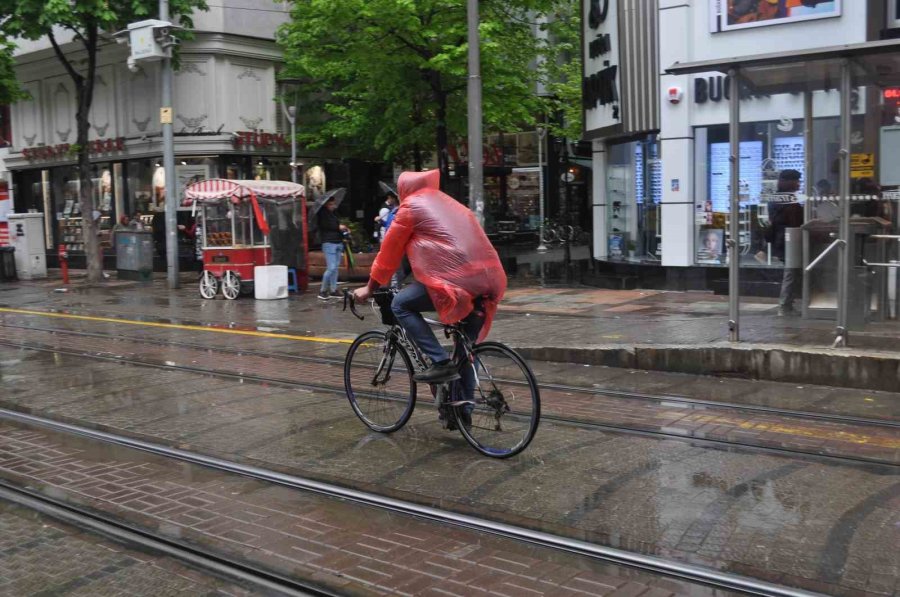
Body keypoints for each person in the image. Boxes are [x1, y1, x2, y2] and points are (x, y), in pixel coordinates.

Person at [352, 169, 507, 394]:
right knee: (464, 353)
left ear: (404, 189)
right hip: (490, 279)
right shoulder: (451, 205)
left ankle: (439, 362)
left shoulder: (411, 207)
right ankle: (463, 411)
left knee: (400, 305)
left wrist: (370, 287)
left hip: (457, 282)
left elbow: (389, 254)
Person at [765, 169, 804, 316]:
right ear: (789, 182)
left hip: (781, 239)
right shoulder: (789, 200)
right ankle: (784, 305)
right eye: (797, 180)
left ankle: (787, 303)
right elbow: (794, 220)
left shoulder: (775, 198)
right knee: (791, 272)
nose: (799, 183)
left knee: (791, 272)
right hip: (789, 239)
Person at [317, 196, 348, 300]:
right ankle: (323, 290)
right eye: (331, 204)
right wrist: (338, 227)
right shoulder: (322, 214)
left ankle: (333, 289)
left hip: (338, 242)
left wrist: (343, 228)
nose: (333, 206)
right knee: (331, 268)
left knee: (335, 269)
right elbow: (326, 226)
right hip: (329, 243)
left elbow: (337, 225)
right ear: (326, 204)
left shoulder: (334, 213)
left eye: (334, 204)